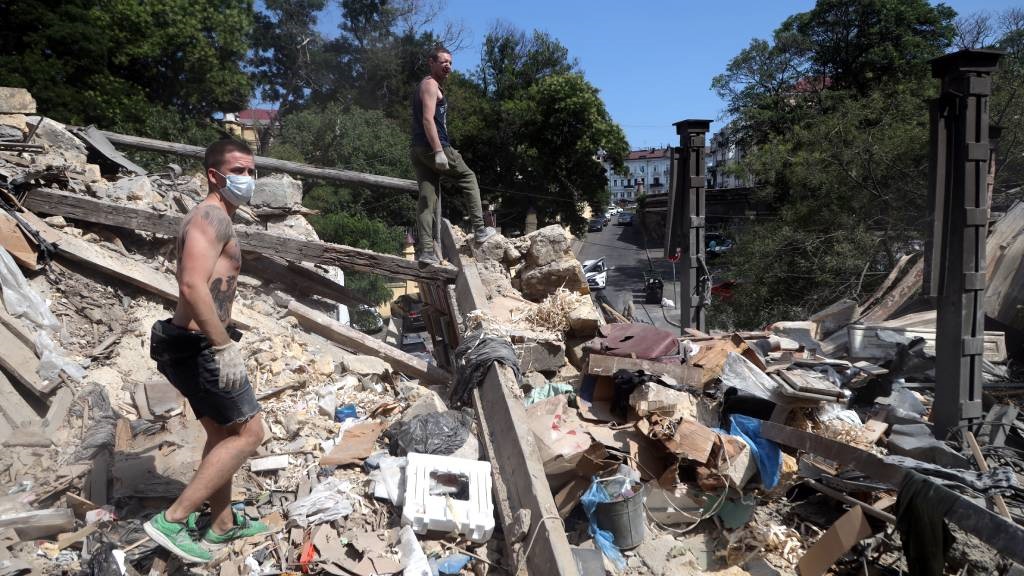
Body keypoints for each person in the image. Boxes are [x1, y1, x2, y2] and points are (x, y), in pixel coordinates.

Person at [145, 139, 268, 563]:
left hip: (198, 343)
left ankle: (221, 523)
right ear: (215, 176)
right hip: (201, 345)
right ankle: (172, 521)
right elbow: (191, 285)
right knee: (251, 434)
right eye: (239, 171)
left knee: (221, 435)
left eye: (252, 171)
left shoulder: (219, 217)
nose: (247, 179)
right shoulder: (210, 215)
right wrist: (222, 346)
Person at [411, 45, 494, 265]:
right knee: (468, 177)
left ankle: (426, 252)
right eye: (443, 62)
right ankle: (480, 230)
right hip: (434, 147)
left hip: (418, 149)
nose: (448, 66)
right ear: (431, 62)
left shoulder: (428, 85)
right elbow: (428, 119)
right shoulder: (430, 85)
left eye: (450, 62)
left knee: (427, 199)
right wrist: (439, 151)